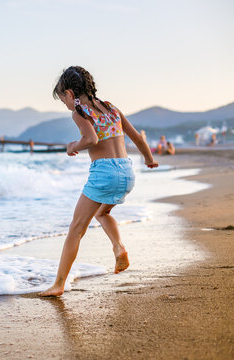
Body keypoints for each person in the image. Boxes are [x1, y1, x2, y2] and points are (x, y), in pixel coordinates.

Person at [39, 66, 158, 297]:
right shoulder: (112, 108)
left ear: (71, 94)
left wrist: (73, 146)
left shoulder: (79, 113)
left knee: (76, 228)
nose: (64, 102)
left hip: (104, 173)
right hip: (126, 172)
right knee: (102, 213)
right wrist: (149, 159)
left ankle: (58, 284)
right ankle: (118, 247)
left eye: (63, 97)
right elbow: (136, 137)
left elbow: (91, 139)